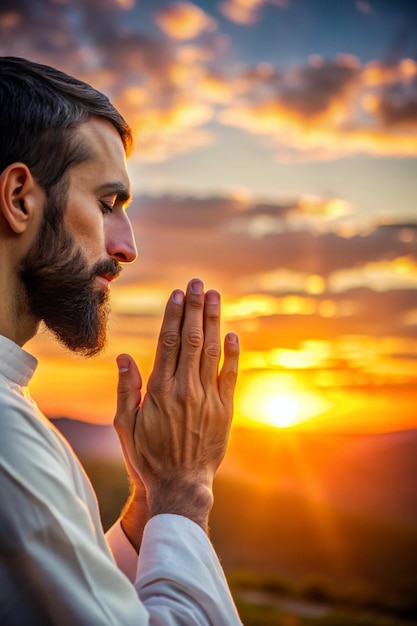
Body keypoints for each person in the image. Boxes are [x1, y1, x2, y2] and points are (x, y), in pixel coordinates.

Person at [0, 56, 242, 625]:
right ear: (18, 198)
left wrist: (149, 506)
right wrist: (186, 492)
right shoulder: (7, 440)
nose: (127, 247)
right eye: (108, 204)